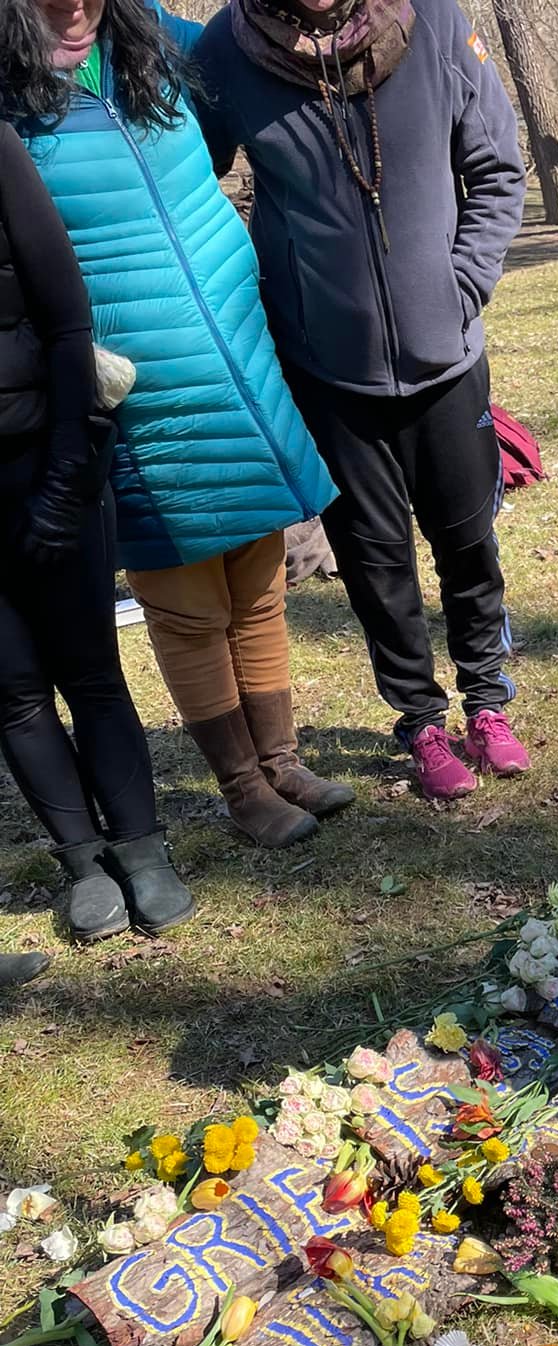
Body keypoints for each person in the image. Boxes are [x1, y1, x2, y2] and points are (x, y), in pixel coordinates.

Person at [6, 0, 349, 851]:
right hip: (130, 365)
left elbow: (268, 50)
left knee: (258, 574)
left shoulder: (155, 35)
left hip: (230, 340)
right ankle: (241, 787)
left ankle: (281, 759)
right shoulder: (7, 77)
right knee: (186, 593)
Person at [193, 0, 531, 803]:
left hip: (447, 359)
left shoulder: (438, 23)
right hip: (326, 370)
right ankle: (418, 719)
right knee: (375, 561)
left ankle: (487, 700)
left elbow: (496, 168)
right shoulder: (227, 49)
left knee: (468, 543)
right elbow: (184, 183)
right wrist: (268, 287)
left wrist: (460, 288)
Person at [0, 116, 193, 963]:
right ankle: (83, 862)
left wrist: (66, 475)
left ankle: (143, 847)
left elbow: (69, 322)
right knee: (10, 691)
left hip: (44, 462)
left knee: (89, 671)